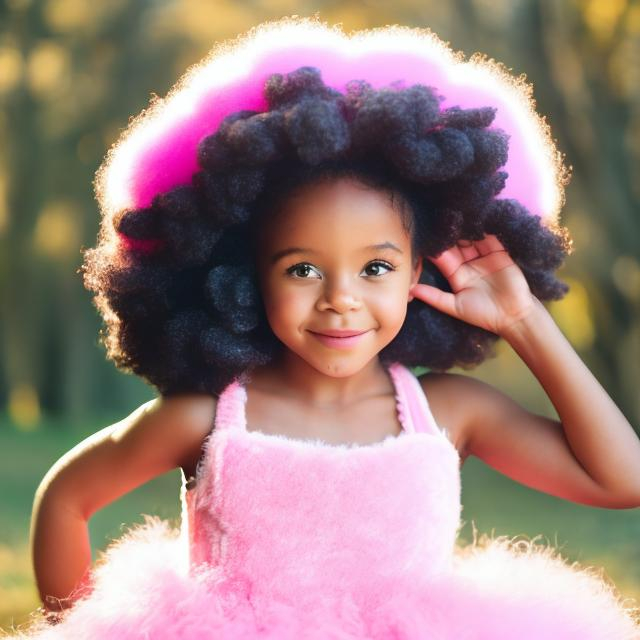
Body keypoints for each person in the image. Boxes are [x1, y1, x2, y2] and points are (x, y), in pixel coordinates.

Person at [5, 15, 640, 640]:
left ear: (417, 269)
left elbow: (622, 480)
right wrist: (77, 627)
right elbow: (66, 498)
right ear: (248, 273)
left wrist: (525, 320)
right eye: (303, 268)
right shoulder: (207, 418)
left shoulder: (446, 412)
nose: (341, 300)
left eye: (376, 267)